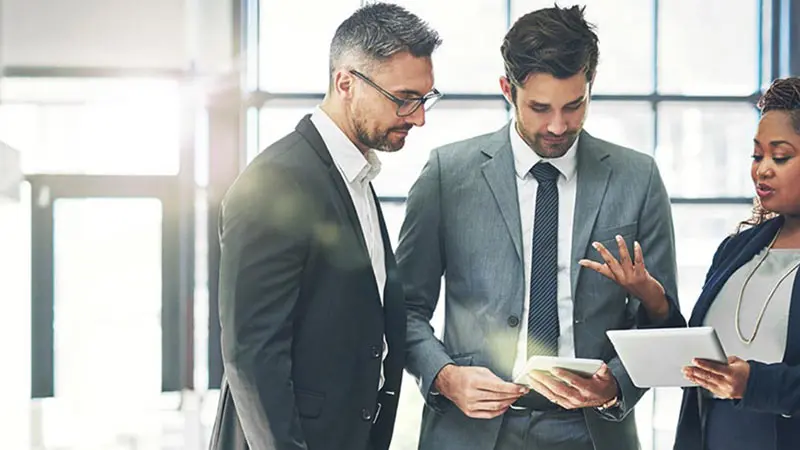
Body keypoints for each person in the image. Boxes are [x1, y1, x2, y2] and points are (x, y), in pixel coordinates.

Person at [395, 5, 684, 450]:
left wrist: (618, 385)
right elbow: (405, 309)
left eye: (574, 105)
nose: (557, 125)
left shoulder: (637, 178)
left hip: (593, 430)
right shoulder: (446, 175)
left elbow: (664, 323)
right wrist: (445, 376)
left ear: (590, 87)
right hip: (471, 432)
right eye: (539, 107)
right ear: (507, 90)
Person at [208, 4, 442, 450]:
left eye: (425, 98)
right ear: (346, 83)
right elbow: (252, 353)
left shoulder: (353, 178)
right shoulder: (276, 181)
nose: (418, 117)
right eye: (404, 98)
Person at [586, 76, 800, 450]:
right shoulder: (736, 250)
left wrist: (754, 384)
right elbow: (694, 361)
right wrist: (652, 299)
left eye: (779, 156)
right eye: (756, 155)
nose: (762, 170)